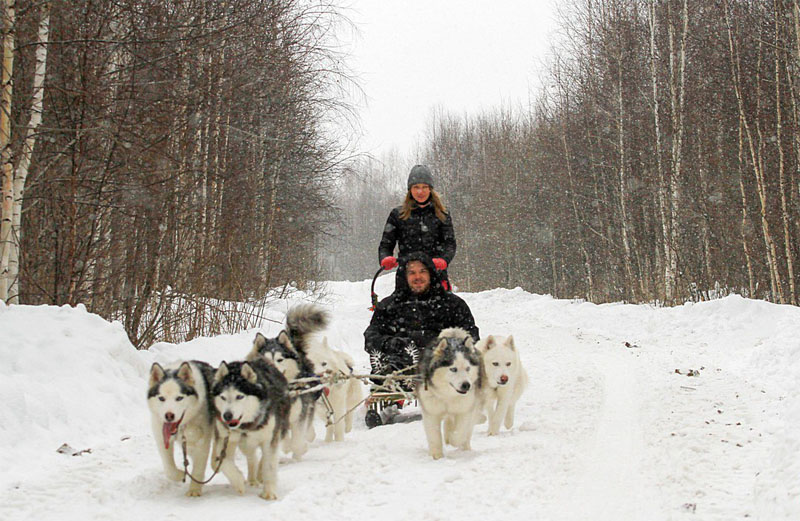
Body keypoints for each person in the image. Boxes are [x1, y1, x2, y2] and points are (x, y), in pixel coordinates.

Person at [363, 252, 479, 427]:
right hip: (400, 367)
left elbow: (471, 335)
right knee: (389, 362)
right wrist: (389, 343)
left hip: (443, 368)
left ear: (431, 273)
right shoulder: (389, 306)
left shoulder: (452, 304)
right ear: (404, 276)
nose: (418, 277)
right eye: (412, 273)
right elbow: (371, 336)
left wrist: (448, 345)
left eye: (422, 271)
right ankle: (392, 401)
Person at [379, 164, 456, 290]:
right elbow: (386, 244)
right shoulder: (397, 215)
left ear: (431, 189)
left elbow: (450, 244)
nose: (420, 192)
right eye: (416, 187)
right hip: (407, 277)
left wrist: (444, 260)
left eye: (424, 187)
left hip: (436, 275)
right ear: (410, 190)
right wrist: (385, 258)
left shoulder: (442, 214)